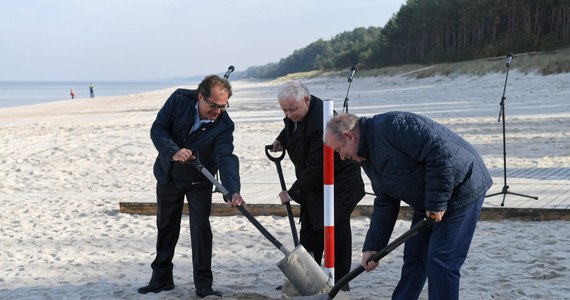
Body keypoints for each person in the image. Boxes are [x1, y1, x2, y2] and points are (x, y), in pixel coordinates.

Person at [324, 112, 493, 300]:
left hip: (462, 187)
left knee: (441, 261)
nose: (341, 156)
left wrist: (436, 202)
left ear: (349, 136)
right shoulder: (365, 156)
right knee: (415, 256)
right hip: (429, 196)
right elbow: (385, 200)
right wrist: (373, 247)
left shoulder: (392, 126)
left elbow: (440, 153)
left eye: (339, 149)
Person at [139, 75, 245, 298]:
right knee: (166, 226)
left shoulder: (224, 125)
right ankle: (161, 279)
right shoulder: (179, 99)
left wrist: (232, 189)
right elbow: (158, 129)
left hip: (199, 180)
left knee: (200, 229)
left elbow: (226, 157)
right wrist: (172, 151)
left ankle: (204, 285)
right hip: (168, 174)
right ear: (200, 97)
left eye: (223, 107)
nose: (217, 112)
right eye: (213, 106)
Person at [271, 80, 365, 289]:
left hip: (340, 182)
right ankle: (306, 279)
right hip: (315, 182)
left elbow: (318, 165)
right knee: (310, 226)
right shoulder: (297, 112)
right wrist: (282, 139)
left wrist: (293, 193)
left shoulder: (322, 120)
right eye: (284, 110)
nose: (288, 114)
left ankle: (341, 281)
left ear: (306, 99)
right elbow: (292, 126)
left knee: (335, 228)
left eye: (292, 109)